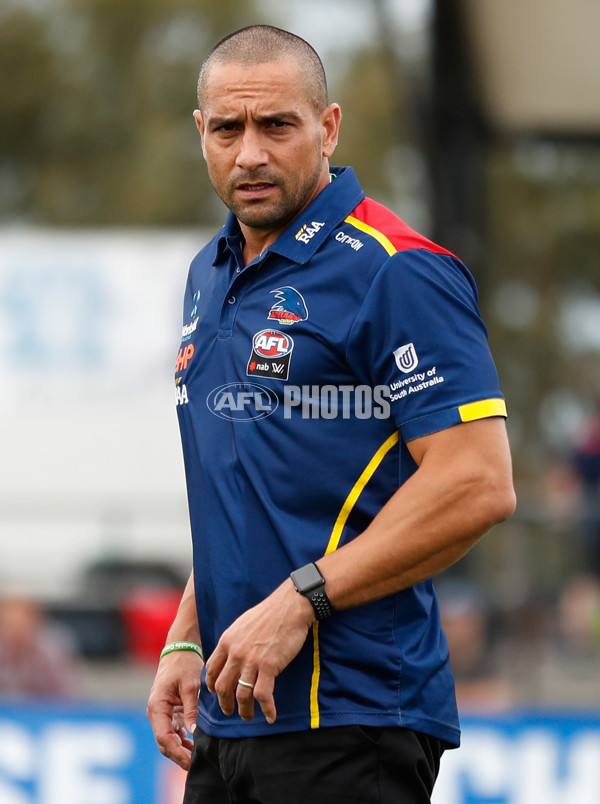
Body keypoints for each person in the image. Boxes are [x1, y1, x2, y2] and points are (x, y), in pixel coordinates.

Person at [146, 24, 516, 804]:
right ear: (201, 133)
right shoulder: (209, 275)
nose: (250, 153)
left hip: (352, 714)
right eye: (228, 128)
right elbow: (244, 488)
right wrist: (187, 634)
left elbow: (478, 482)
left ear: (328, 126)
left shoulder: (399, 269)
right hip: (232, 714)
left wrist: (300, 599)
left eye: (276, 125)